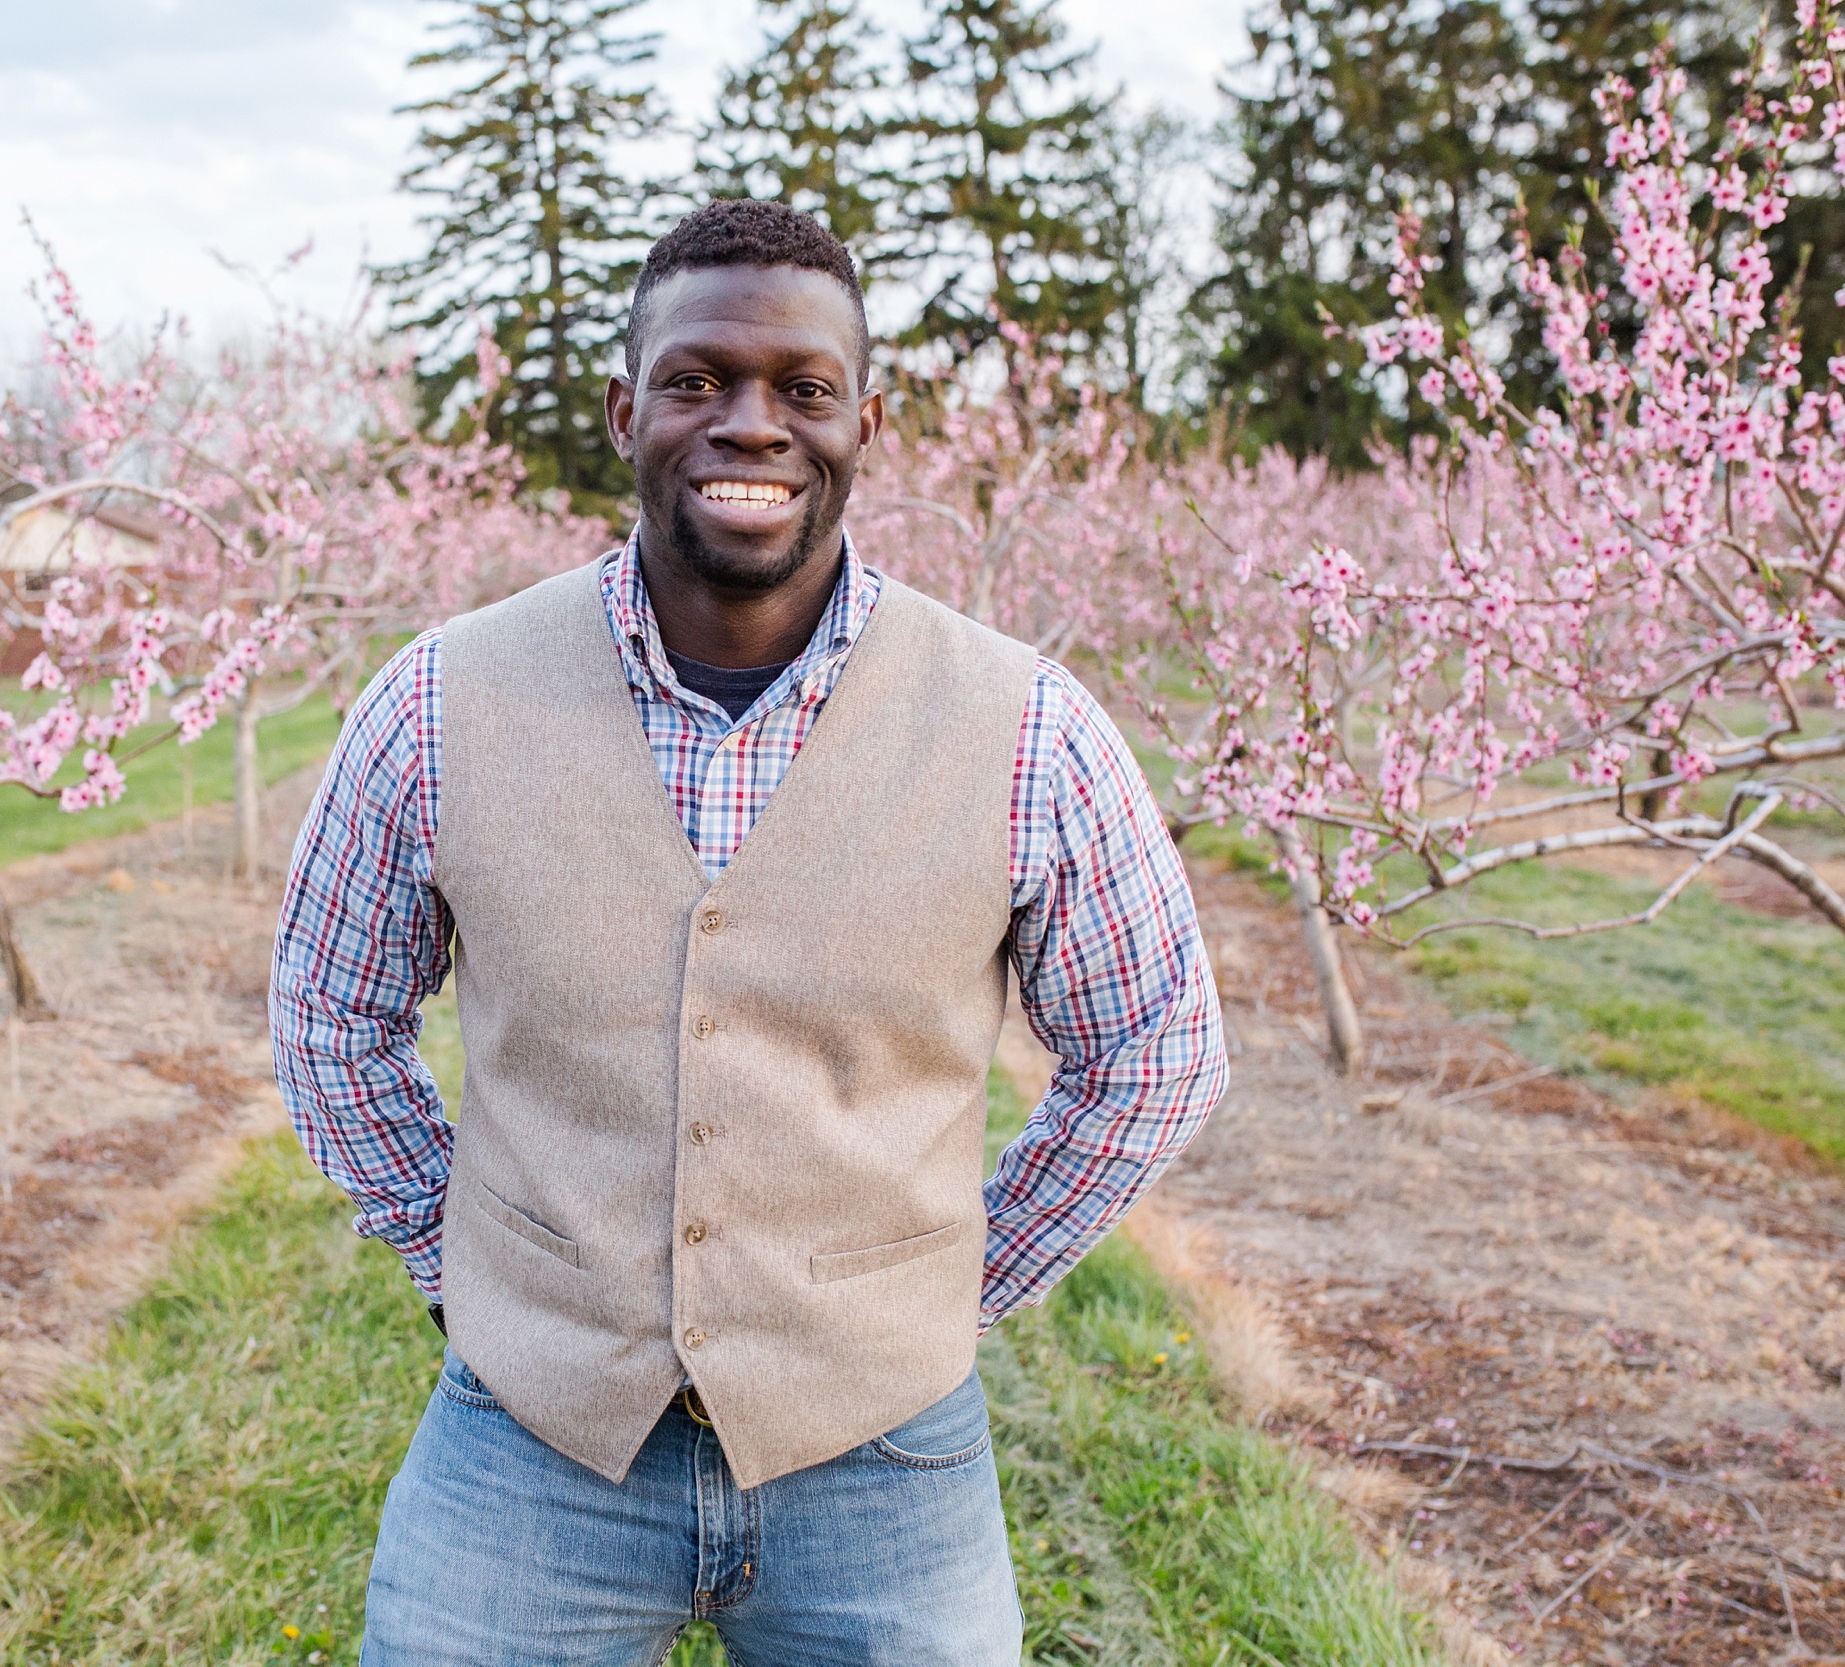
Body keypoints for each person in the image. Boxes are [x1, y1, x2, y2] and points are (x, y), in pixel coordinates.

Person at [270, 199, 1226, 1666]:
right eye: (697, 380)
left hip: (886, 1462)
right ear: (624, 410)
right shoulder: (435, 702)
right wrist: (453, 1255)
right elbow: (331, 1013)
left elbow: (1156, 1047)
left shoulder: (1028, 725)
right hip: (531, 1445)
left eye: (804, 388)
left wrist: (956, 1288)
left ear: (867, 423)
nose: (751, 424)